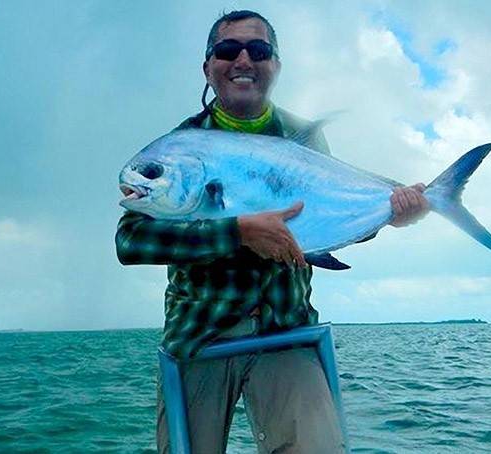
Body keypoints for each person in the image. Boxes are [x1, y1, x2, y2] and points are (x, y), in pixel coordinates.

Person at [115, 10, 428, 454]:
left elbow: (325, 222)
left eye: (258, 51)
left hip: (287, 331)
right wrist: (237, 233)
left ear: (275, 66)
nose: (243, 59)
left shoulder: (301, 138)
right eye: (228, 50)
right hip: (199, 335)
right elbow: (130, 241)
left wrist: (390, 213)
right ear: (208, 67)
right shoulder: (182, 143)